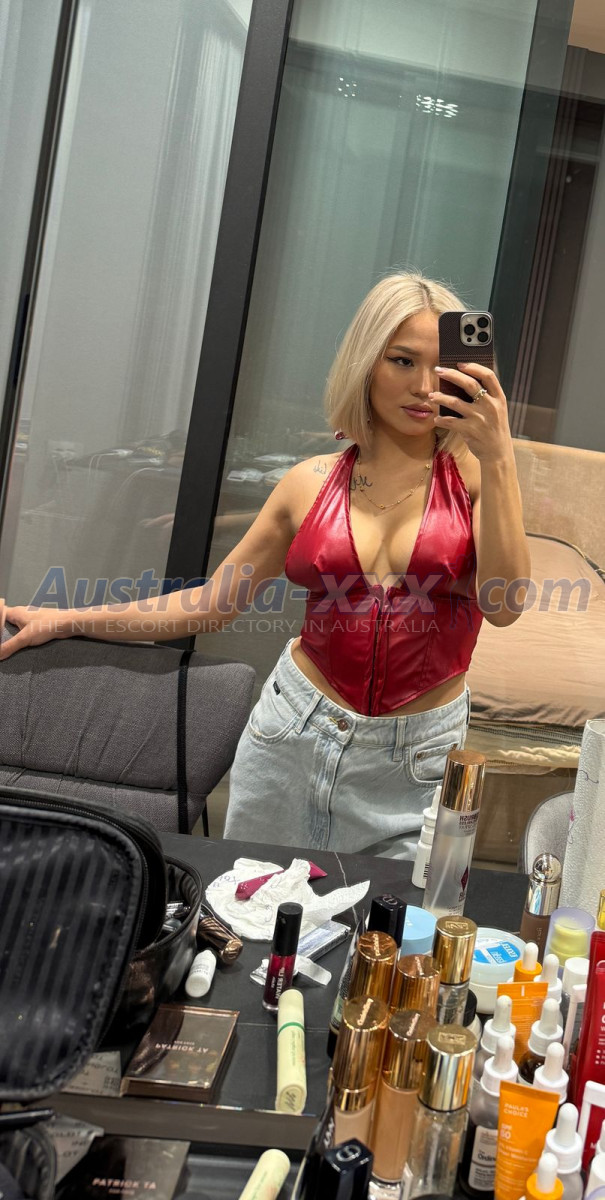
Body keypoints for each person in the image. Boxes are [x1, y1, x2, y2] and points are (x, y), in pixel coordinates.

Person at [0, 273, 530, 860]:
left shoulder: (479, 480)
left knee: (397, 919)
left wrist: (499, 456)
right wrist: (64, 619)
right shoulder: (307, 482)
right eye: (402, 361)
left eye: (440, 368)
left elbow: (504, 606)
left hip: (415, 760)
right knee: (249, 910)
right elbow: (208, 605)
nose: (425, 387)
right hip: (293, 734)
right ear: (366, 364)